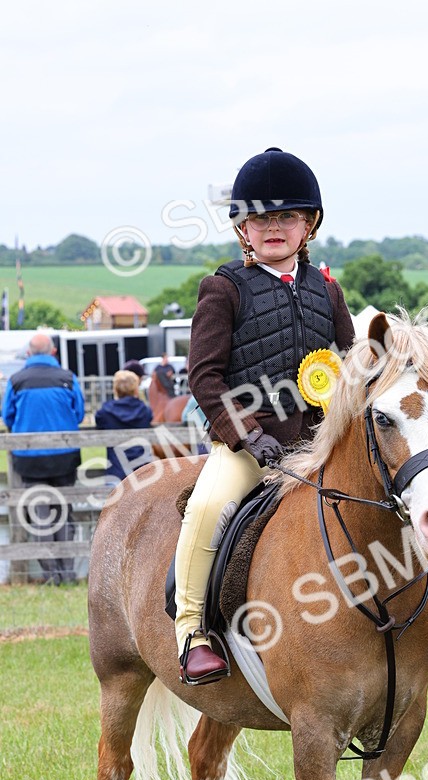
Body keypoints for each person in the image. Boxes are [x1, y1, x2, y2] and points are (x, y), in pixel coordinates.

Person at [175, 146, 355, 683]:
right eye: (261, 219)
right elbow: (204, 377)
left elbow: (351, 364)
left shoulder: (326, 289)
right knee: (208, 508)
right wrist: (248, 437)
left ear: (309, 225)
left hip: (320, 443)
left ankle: (411, 614)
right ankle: (192, 630)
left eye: (286, 217)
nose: (273, 228)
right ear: (243, 229)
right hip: (251, 447)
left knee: (388, 494)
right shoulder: (224, 288)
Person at [2, 332, 85, 584]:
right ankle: (68, 572)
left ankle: (50, 575)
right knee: (64, 513)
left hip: (29, 459)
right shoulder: (67, 379)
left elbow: (8, 416)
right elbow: (79, 413)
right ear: (53, 352)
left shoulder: (16, 381)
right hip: (64, 458)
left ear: (28, 353)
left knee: (39, 517)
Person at [94, 369, 154, 481]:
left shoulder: (105, 413)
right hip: (142, 472)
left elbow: (99, 422)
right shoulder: (145, 411)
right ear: (136, 389)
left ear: (115, 389)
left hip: (116, 472)